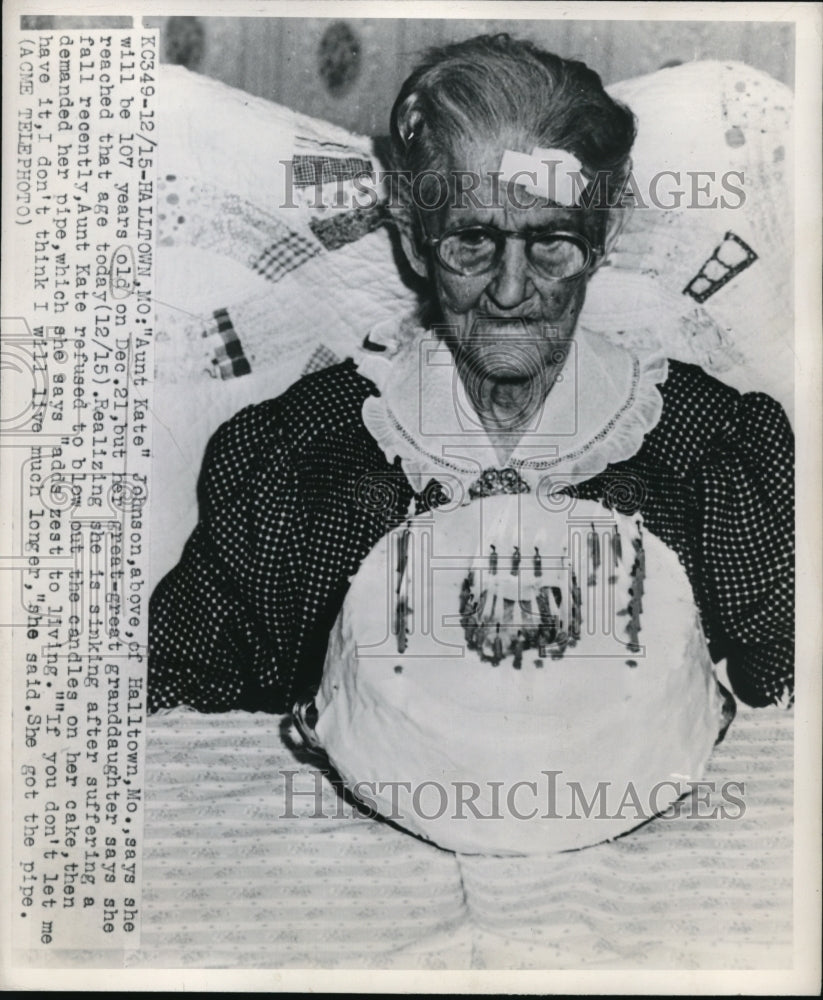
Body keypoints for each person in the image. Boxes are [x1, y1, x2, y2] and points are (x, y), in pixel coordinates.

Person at [148, 34, 794, 715]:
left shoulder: (707, 451)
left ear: (603, 236)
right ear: (413, 239)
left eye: (551, 242)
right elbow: (179, 708)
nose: (510, 291)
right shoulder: (297, 458)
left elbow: (796, 710)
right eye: (472, 241)